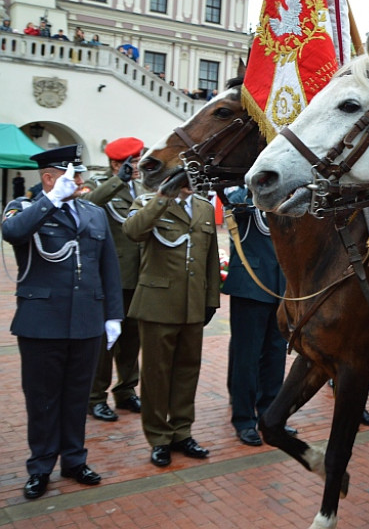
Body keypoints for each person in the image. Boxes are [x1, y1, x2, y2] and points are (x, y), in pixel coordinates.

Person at [1, 145, 122, 499]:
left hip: (86, 320)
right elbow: (13, 233)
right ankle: (40, 466)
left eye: (80, 174)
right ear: (49, 177)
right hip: (41, 322)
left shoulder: (94, 213)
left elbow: (108, 268)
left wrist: (113, 314)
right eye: (72, 175)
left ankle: (74, 459)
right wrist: (51, 200)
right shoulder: (25, 208)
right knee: (42, 399)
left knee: (76, 397)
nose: (81, 181)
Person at [123, 169, 219, 467]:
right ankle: (159, 437)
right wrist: (164, 196)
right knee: (156, 374)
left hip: (192, 305)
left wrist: (210, 300)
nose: (191, 183)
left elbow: (211, 257)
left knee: (187, 371)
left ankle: (182, 431)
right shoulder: (148, 202)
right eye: (184, 178)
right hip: (157, 304)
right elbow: (133, 231)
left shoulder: (203, 206)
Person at [83, 137, 146, 422]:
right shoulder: (100, 185)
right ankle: (95, 397)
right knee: (106, 342)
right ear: (114, 164)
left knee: (132, 339)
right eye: (130, 162)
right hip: (112, 278)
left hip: (140, 277)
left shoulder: (144, 187)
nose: (135, 166)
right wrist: (116, 182)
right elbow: (86, 206)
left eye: (137, 160)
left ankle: (126, 390)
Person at [222, 186, 288, 446]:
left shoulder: (284, 197)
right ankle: (244, 419)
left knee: (275, 355)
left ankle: (270, 415)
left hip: (280, 287)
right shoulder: (241, 197)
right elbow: (232, 208)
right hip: (250, 287)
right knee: (246, 359)